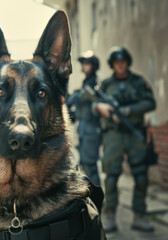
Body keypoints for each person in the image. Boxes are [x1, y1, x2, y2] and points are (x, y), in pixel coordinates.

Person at [92, 46, 156, 233]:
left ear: (128, 62)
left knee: (141, 174)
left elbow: (150, 102)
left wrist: (129, 110)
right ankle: (110, 214)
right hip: (113, 135)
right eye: (116, 62)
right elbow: (94, 103)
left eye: (123, 61)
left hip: (135, 133)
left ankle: (139, 215)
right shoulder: (105, 84)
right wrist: (101, 108)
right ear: (112, 64)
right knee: (111, 176)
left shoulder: (138, 81)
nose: (120, 65)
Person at [66, 50, 102, 186]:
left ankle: (98, 196)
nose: (83, 66)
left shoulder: (94, 85)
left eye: (87, 64)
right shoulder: (86, 83)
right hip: (83, 128)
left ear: (94, 65)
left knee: (90, 165)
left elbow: (84, 101)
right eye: (82, 63)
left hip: (91, 129)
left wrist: (74, 97)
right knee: (85, 165)